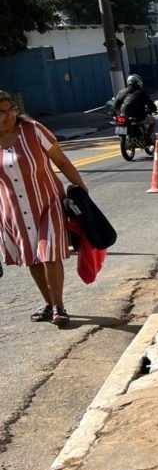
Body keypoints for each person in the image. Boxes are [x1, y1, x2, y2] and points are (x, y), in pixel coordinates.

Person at [0, 90, 90, 327]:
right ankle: (49, 304)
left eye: (11, 110)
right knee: (33, 259)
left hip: (48, 203)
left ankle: (59, 306)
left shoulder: (33, 130)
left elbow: (61, 161)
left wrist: (82, 191)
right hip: (14, 210)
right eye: (1, 112)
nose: (9, 116)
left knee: (49, 252)